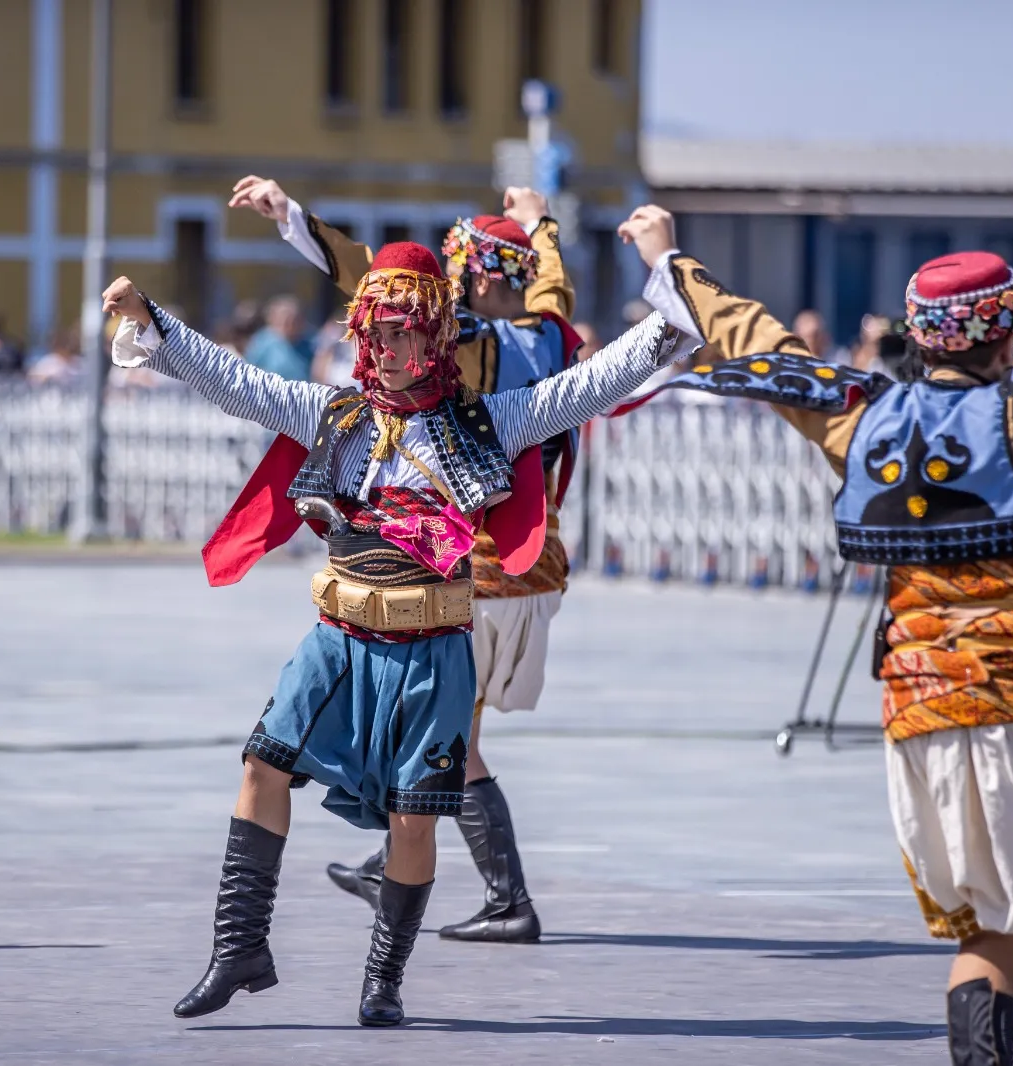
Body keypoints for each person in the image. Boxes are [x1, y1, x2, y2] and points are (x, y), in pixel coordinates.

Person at [622, 203, 1013, 1066]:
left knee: (989, 929)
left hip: (922, 711)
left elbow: (754, 340)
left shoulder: (859, 417)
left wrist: (666, 256)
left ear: (918, 333)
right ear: (1008, 329)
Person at [103, 240, 680, 1026]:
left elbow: (587, 386)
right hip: (336, 643)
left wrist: (670, 317)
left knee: (415, 819)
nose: (390, 349)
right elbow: (237, 383)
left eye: (407, 332)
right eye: (377, 332)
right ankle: (239, 947)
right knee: (261, 769)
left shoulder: (491, 422)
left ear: (439, 334)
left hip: (433, 656)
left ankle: (384, 979)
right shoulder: (334, 412)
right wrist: (151, 322)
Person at [230, 174, 583, 943]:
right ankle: (404, 860)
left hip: (469, 570)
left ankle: (501, 894)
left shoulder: (455, 347)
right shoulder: (547, 337)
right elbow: (553, 295)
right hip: (533, 567)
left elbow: (375, 279)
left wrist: (293, 217)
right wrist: (542, 225)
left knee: (451, 743)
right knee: (441, 740)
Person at [244, 295, 314, 381]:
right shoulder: (263, 342)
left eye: (295, 320)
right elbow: (250, 369)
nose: (291, 324)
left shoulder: (309, 345)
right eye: (287, 319)